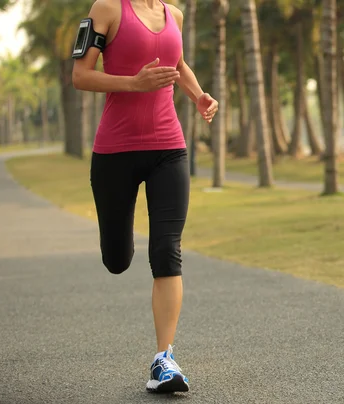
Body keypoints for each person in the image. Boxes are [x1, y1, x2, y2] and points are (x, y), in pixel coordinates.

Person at [71, 0, 217, 394]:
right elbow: (80, 76)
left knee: (167, 249)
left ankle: (163, 359)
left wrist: (198, 94)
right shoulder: (107, 8)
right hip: (115, 151)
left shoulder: (175, 14)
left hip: (168, 147)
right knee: (117, 260)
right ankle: (120, 249)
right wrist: (132, 83)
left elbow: (177, 63)